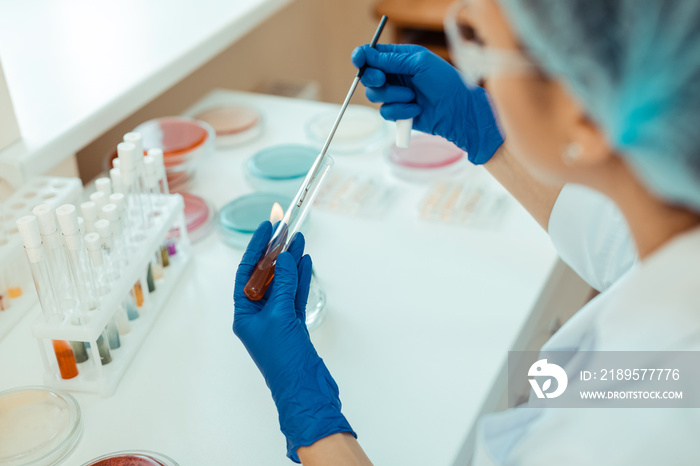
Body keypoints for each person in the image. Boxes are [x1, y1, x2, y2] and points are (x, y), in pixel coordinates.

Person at [233, 0, 700, 463]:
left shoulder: (618, 440)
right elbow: (622, 251)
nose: (475, 75)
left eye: (482, 43)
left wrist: (310, 419)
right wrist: (483, 129)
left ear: (580, 109)